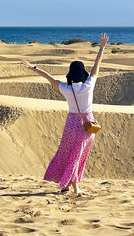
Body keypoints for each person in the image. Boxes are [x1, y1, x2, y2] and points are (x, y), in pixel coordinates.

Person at [21, 32, 109, 196]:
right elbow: (97, 66)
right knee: (78, 156)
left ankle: (66, 184)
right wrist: (101, 48)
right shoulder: (89, 85)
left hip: (71, 124)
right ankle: (74, 187)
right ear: (83, 72)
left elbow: (49, 77)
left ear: (70, 74)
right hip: (87, 124)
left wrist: (34, 68)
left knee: (68, 154)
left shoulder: (66, 89)